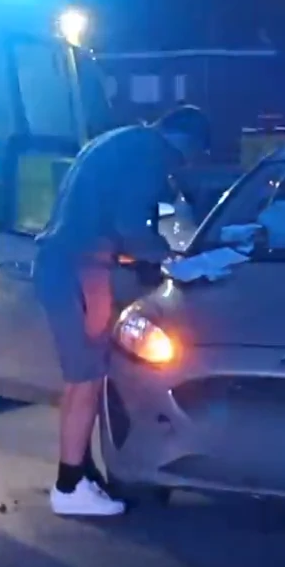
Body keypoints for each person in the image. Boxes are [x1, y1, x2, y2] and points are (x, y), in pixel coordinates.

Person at [35, 103, 212, 517]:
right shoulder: (150, 154)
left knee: (83, 379)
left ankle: (81, 471)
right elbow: (131, 225)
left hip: (65, 265)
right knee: (86, 379)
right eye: (187, 158)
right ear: (186, 144)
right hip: (79, 270)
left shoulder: (118, 140)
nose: (179, 167)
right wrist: (171, 258)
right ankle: (69, 485)